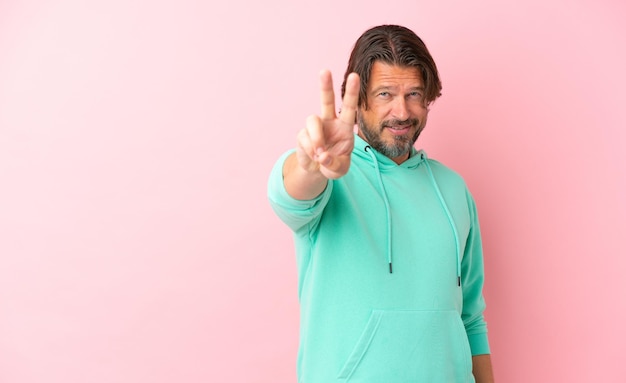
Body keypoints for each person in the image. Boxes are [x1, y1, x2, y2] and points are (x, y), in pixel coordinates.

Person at [268, 24, 494, 382]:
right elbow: (291, 196)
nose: (402, 112)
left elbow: (471, 319)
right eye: (385, 94)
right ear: (358, 101)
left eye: (414, 94)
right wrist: (312, 164)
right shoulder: (331, 176)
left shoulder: (453, 189)